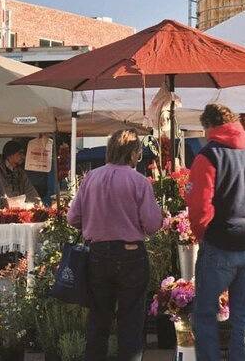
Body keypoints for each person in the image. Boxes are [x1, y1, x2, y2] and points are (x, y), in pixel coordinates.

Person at [187, 104, 245, 361]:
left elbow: (199, 206)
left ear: (209, 126)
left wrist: (202, 234)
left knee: (205, 314)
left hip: (220, 243)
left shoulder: (208, 155)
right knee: (242, 316)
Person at [68, 131, 163, 361]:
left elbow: (73, 218)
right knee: (130, 323)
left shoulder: (91, 177)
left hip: (97, 255)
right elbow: (151, 225)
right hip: (131, 254)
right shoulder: (139, 181)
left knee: (98, 321)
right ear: (133, 153)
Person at [0, 139, 42, 210]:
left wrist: (38, 203)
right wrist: (4, 202)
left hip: (19, 215)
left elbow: (31, 192)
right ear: (10, 155)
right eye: (20, 153)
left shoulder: (21, 173)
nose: (23, 157)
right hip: (0, 217)